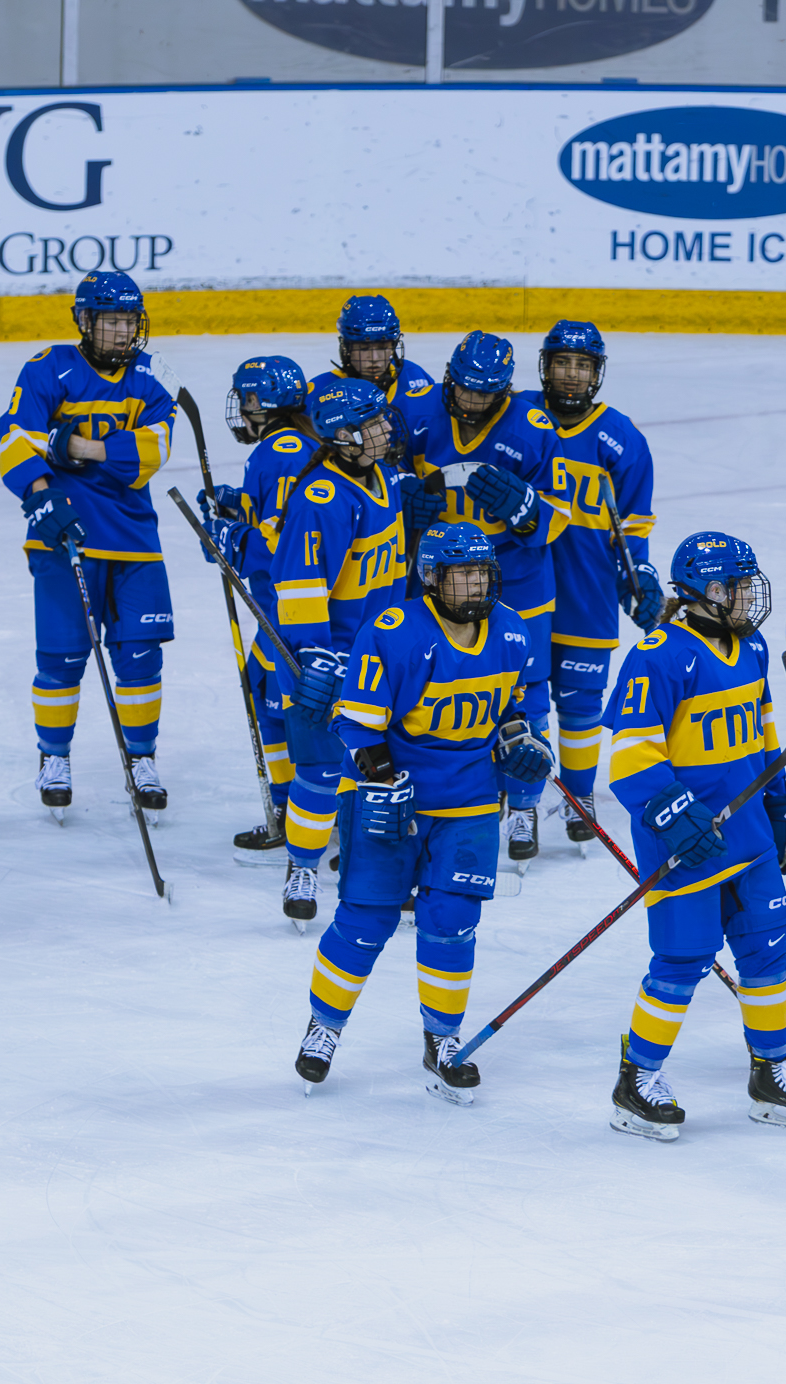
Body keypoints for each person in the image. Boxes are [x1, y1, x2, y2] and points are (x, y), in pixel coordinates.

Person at [293, 522, 550, 1105]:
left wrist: (521, 744)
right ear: (431, 577)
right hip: (392, 798)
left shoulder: (512, 630)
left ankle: (444, 1040)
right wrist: (381, 773)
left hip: (472, 801)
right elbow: (356, 724)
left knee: (453, 924)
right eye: (461, 574)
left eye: (481, 573)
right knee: (364, 922)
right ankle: (324, 1027)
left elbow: (516, 707)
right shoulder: (396, 631)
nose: (474, 585)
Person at [604, 531, 786, 1141]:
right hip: (681, 842)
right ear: (703, 592)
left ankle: (770, 1070)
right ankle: (637, 1078)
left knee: (765, 947)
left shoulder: (751, 648)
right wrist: (672, 813)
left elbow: (761, 732)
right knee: (682, 959)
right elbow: (631, 757)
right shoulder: (656, 655)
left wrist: (785, 799)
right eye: (737, 586)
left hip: (745, 834)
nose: (749, 597)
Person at [0, 270, 174, 821]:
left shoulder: (151, 374)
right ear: (85, 321)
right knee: (62, 658)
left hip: (135, 538)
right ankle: (54, 757)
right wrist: (42, 495)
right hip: (61, 532)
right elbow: (14, 439)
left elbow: (150, 451)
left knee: (141, 657)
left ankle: (140, 759)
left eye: (129, 321)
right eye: (111, 321)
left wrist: (70, 445)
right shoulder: (47, 369)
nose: (123, 333)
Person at [405, 331, 566, 867]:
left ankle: (523, 803)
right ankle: (435, 798)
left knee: (527, 694)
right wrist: (406, 506)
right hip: (434, 584)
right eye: (465, 391)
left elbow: (559, 517)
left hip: (517, 584)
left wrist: (526, 509)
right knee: (437, 692)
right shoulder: (415, 411)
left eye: (485, 394)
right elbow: (383, 482)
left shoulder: (535, 426)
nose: (473, 403)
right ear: (449, 379)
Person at [262, 378, 411, 927]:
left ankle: (369, 869)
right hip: (330, 659)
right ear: (343, 437)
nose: (382, 430)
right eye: (370, 424)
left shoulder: (386, 479)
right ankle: (301, 864)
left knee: (378, 769)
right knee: (324, 770)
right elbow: (300, 590)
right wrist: (317, 661)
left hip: (379, 654)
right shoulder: (320, 499)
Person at [522, 321, 660, 843]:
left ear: (597, 373)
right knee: (524, 699)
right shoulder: (520, 416)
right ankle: (524, 801)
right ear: (546, 366)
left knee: (581, 703)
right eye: (562, 363)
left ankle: (579, 795)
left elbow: (634, 522)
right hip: (522, 585)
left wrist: (638, 573)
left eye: (583, 365)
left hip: (590, 588)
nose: (572, 375)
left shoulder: (620, 436)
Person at [201, 355, 316, 862]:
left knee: (292, 713)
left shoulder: (274, 453)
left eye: (246, 399)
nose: (242, 410)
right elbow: (278, 515)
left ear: (259, 403)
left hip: (287, 609)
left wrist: (227, 536)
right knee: (264, 691)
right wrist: (238, 504)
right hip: (292, 607)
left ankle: (299, 815)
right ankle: (294, 810)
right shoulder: (304, 442)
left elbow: (276, 546)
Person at [312, 295, 436, 453]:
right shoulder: (320, 391)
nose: (374, 359)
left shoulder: (416, 377)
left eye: (383, 347)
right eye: (363, 348)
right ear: (347, 347)